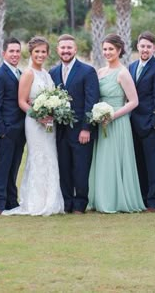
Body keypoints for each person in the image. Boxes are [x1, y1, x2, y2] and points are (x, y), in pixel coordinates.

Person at [3, 36, 64, 216]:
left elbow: (54, 97)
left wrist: (53, 111)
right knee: (38, 158)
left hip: (50, 124)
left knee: (51, 158)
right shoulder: (28, 73)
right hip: (34, 123)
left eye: (43, 51)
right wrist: (39, 116)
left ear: (47, 53)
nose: (40, 54)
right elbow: (22, 102)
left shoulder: (46, 74)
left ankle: (51, 200)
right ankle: (36, 202)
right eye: (37, 51)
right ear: (30, 53)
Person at [88, 34, 144, 213]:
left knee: (116, 160)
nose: (107, 52)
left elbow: (133, 101)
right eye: (105, 49)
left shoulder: (123, 73)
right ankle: (102, 198)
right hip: (101, 121)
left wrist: (112, 115)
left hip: (117, 123)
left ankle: (117, 199)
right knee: (103, 160)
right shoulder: (99, 72)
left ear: (119, 50)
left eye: (111, 49)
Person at [48, 34, 99, 214]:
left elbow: (91, 102)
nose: (66, 51)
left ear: (75, 49)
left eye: (69, 48)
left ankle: (80, 204)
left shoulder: (87, 71)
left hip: (80, 130)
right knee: (64, 167)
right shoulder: (52, 73)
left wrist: (87, 128)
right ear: (57, 50)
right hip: (60, 131)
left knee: (81, 168)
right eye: (63, 48)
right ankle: (67, 203)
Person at [128, 31, 155, 212]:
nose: (145, 49)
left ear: (154, 48)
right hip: (132, 123)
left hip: (150, 124)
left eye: (148, 47)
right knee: (138, 163)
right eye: (142, 46)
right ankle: (142, 198)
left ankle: (153, 201)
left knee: (153, 164)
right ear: (137, 47)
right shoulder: (131, 67)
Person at [0, 38, 27, 214]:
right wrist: (1, 131)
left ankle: (12, 201)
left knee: (14, 167)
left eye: (17, 51)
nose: (15, 54)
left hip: (20, 130)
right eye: (11, 51)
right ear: (4, 53)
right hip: (6, 130)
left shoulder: (20, 73)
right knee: (3, 167)